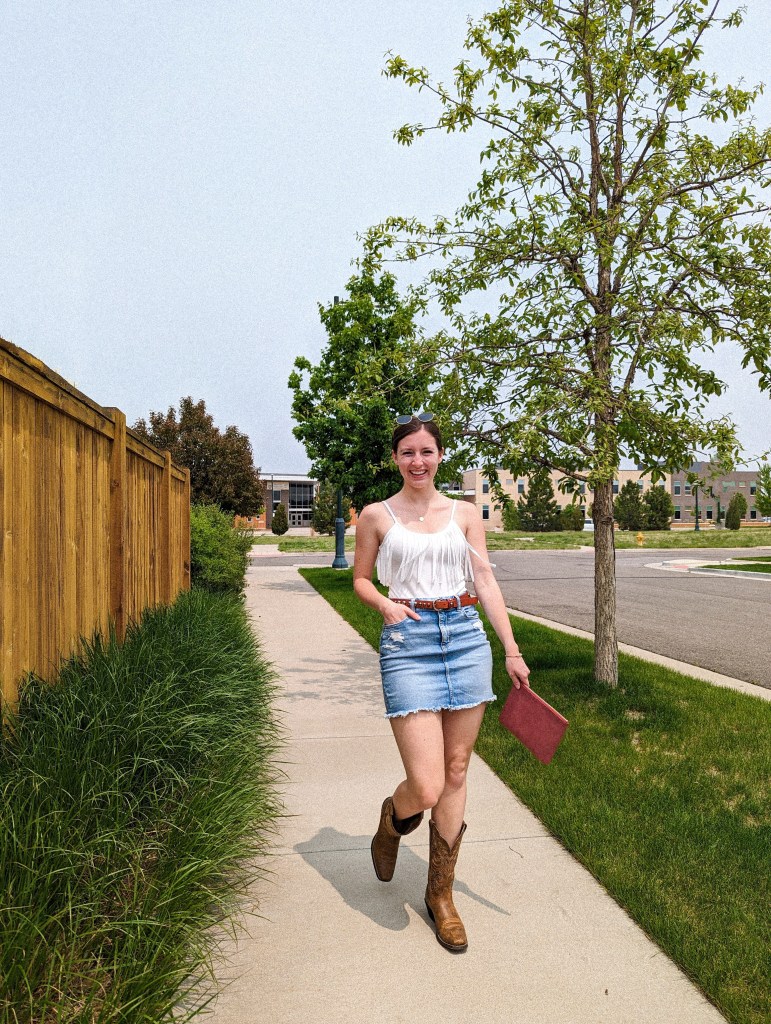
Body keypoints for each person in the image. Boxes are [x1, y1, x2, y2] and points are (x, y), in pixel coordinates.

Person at [353, 414, 530, 953]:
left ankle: (441, 895)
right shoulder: (376, 515)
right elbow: (360, 578)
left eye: (426, 451)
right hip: (409, 642)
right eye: (407, 452)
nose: (418, 461)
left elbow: (485, 580)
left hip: (465, 636)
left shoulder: (465, 514)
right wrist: (385, 604)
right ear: (396, 459)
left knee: (456, 771)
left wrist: (511, 649)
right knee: (425, 785)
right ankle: (393, 819)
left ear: (440, 455)